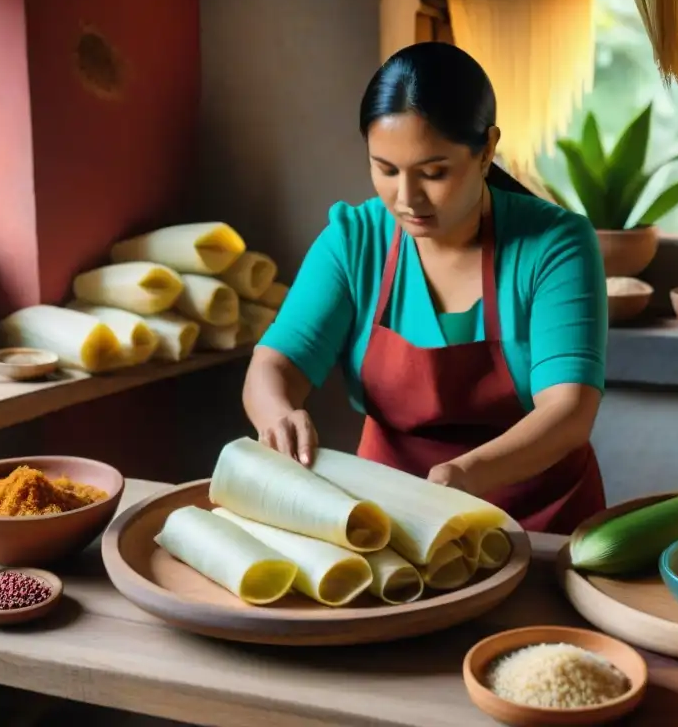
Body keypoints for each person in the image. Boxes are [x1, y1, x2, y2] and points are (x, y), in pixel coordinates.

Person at [243, 41, 608, 535]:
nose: (406, 198)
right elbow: (274, 364)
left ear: (487, 150)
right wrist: (278, 413)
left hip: (538, 522)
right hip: (387, 517)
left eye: (434, 173)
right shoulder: (355, 241)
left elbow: (567, 412)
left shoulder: (554, 245)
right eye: (386, 170)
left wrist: (467, 474)